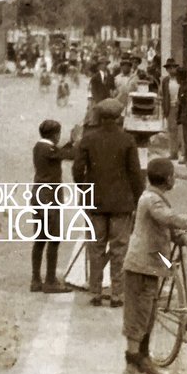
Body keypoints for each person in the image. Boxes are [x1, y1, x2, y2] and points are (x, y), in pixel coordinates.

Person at [120, 157, 187, 374]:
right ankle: (131, 370)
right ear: (167, 179)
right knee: (137, 318)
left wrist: (182, 238)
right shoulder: (152, 200)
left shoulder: (155, 199)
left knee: (147, 315)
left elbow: (165, 226)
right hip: (140, 267)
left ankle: (143, 361)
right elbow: (170, 219)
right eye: (173, 175)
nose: (174, 178)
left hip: (149, 266)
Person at [73, 98, 144, 307]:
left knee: (95, 247)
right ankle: (117, 294)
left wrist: (85, 189)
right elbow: (135, 174)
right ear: (119, 117)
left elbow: (77, 170)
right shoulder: (127, 140)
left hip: (94, 201)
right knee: (119, 249)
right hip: (122, 204)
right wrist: (138, 199)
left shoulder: (88, 139)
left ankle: (95, 291)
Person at [31, 119, 77, 294]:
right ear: (54, 135)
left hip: (38, 196)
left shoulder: (40, 147)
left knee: (40, 238)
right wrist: (75, 142)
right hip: (49, 199)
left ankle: (36, 279)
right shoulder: (48, 149)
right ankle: (50, 280)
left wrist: (71, 142)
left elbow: (60, 152)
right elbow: (68, 154)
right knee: (53, 238)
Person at [159, 58, 182, 160]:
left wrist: (180, 100)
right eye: (169, 68)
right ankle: (173, 152)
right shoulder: (165, 81)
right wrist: (164, 108)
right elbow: (162, 94)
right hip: (170, 107)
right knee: (171, 130)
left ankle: (184, 153)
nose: (171, 70)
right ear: (167, 69)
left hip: (181, 107)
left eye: (173, 67)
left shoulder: (180, 79)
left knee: (181, 130)